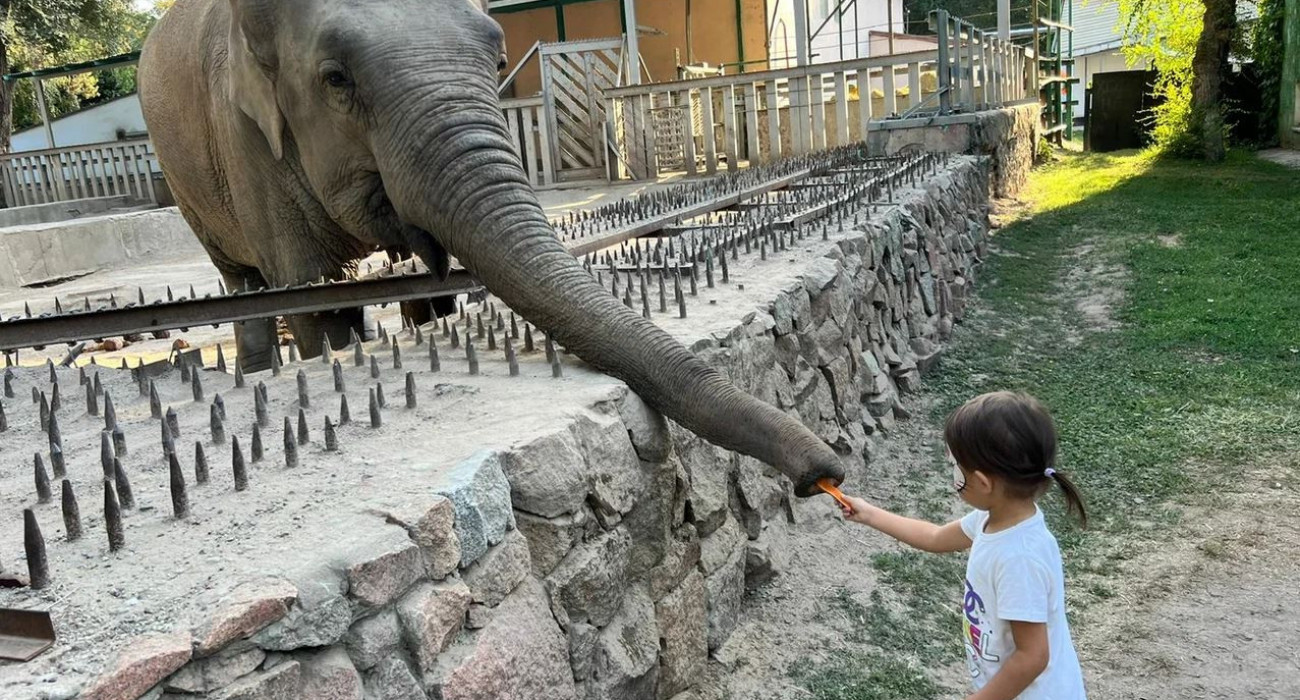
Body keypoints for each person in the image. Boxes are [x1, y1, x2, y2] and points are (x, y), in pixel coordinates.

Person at [839, 391, 1088, 700]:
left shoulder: (1019, 558)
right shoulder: (993, 517)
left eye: (955, 469)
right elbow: (935, 537)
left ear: (984, 483)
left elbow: (1032, 657)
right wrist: (870, 514)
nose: (951, 474)